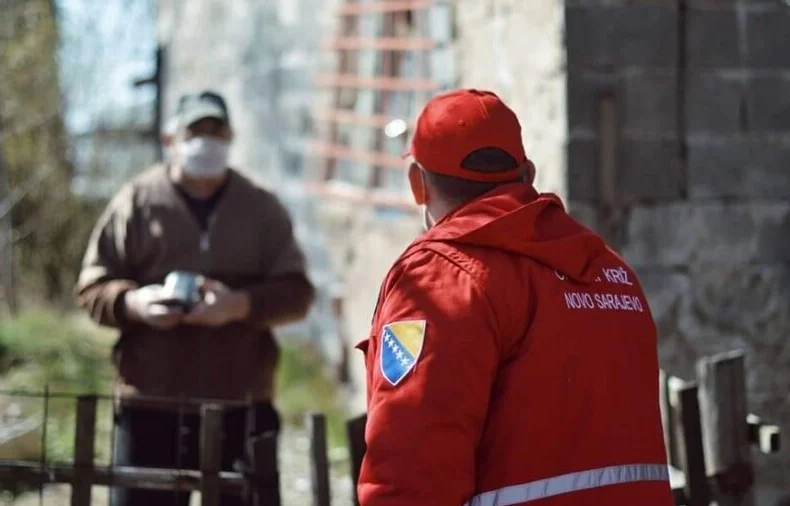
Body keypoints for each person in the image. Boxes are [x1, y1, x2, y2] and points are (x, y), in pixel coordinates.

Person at [356, 89, 674, 506]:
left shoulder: (441, 280)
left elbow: (411, 474)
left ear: (418, 184)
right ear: (528, 174)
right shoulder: (612, 272)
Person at [75, 90, 314, 506]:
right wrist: (136, 304)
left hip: (242, 404)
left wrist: (237, 305)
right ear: (171, 140)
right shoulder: (136, 202)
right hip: (151, 404)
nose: (206, 142)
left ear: (231, 138)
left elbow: (297, 293)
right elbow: (92, 288)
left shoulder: (260, 207)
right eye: (195, 131)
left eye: (216, 132)